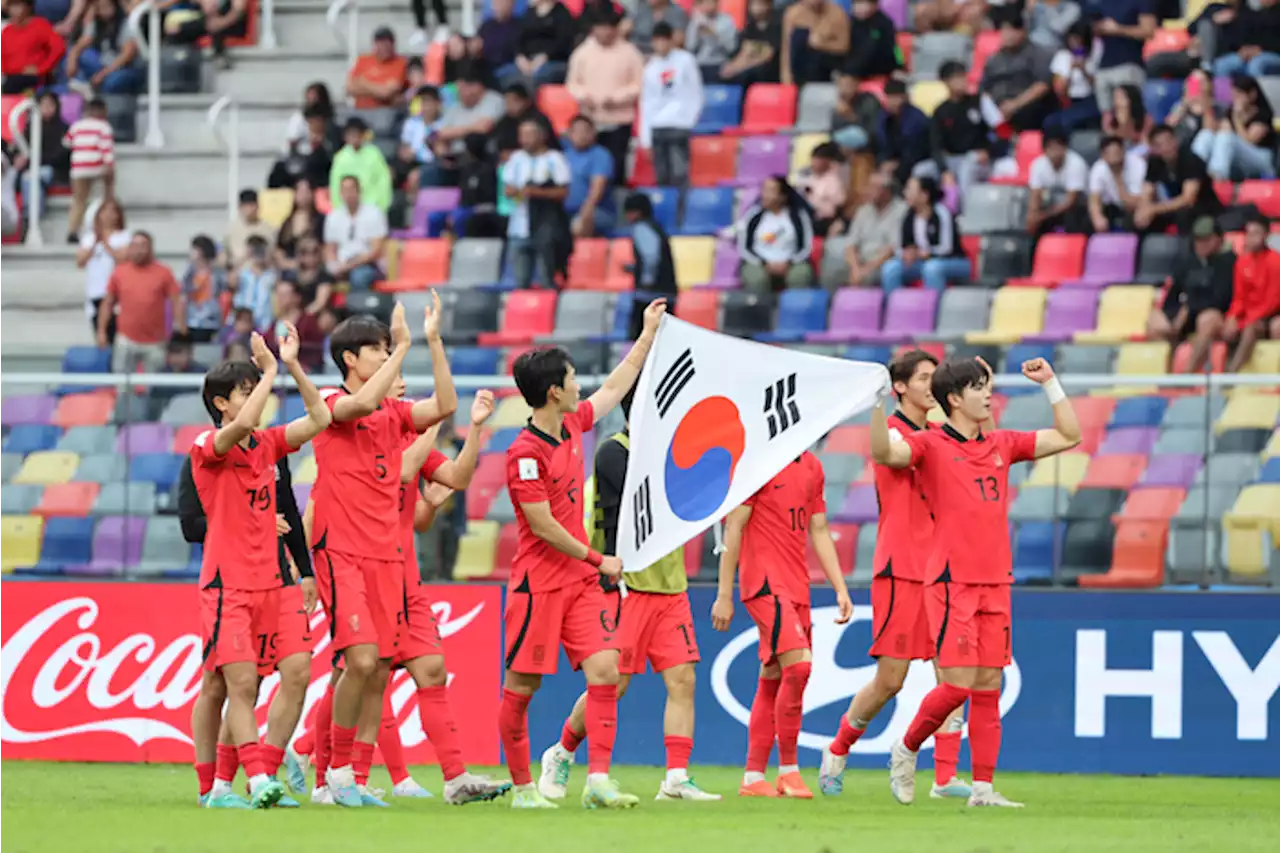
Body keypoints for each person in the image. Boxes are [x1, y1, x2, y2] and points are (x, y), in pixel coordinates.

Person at [874, 356, 1081, 808]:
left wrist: (1051, 385)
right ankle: (906, 749)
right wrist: (874, 409)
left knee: (990, 682)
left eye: (988, 386)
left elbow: (1070, 435)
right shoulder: (929, 444)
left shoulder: (1002, 443)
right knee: (957, 685)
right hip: (951, 581)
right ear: (954, 399)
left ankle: (983, 789)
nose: (989, 395)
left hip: (995, 580)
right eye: (979, 388)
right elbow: (887, 454)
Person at [498, 305, 667, 811]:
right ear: (554, 390)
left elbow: (615, 387)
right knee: (521, 689)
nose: (580, 386)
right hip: (538, 586)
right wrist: (600, 559)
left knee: (606, 673)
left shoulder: (572, 426)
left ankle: (597, 780)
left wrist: (647, 334)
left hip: (577, 584)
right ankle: (524, 788)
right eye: (572, 379)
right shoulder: (523, 453)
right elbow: (543, 526)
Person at [540, 382, 721, 803]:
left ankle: (676, 778)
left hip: (669, 583)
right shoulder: (614, 453)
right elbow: (648, 507)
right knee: (614, 685)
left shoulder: (675, 453)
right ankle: (562, 752)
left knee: (683, 679)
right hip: (623, 585)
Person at [309, 301, 457, 808]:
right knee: (362, 659)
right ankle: (334, 772)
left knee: (372, 669)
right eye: (377, 349)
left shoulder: (394, 414)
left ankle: (339, 773)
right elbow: (358, 405)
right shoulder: (329, 402)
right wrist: (407, 348)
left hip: (383, 555)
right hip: (340, 552)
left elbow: (443, 406)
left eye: (387, 347)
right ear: (351, 359)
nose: (386, 355)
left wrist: (433, 341)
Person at [818, 350, 972, 801]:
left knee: (953, 677)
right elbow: (888, 454)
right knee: (891, 680)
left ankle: (944, 778)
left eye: (934, 377)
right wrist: (876, 403)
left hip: (943, 570)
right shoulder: (892, 432)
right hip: (901, 568)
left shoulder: (943, 434)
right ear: (899, 386)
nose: (931, 384)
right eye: (924, 378)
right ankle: (837, 750)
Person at [189, 330, 331, 808]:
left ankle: (251, 777)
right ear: (221, 403)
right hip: (228, 584)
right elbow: (240, 425)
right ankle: (245, 781)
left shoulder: (267, 446)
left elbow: (320, 418)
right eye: (245, 392)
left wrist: (290, 365)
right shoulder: (208, 445)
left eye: (255, 390)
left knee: (295, 671)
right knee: (239, 684)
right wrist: (268, 370)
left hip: (274, 583)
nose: (255, 401)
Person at [388, 392, 513, 804]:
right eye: (397, 381)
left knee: (431, 670)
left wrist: (474, 427)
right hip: (368, 576)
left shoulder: (412, 443)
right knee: (360, 676)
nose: (404, 389)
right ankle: (316, 763)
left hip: (406, 579)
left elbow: (449, 487)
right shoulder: (361, 435)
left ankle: (455, 777)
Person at [711, 452, 854, 799]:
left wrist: (840, 587)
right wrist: (723, 594)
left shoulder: (812, 466)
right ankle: (789, 771)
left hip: (796, 585)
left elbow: (818, 528)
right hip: (763, 583)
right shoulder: (758, 462)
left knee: (773, 674)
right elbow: (734, 526)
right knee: (800, 667)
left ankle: (753, 776)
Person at [566, 13, 645, 186]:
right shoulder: (582, 53)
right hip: (590, 120)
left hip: (619, 119)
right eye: (600, 28)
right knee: (589, 167)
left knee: (616, 167)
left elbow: (639, 84)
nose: (605, 32)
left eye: (609, 27)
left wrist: (616, 99)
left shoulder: (630, 53)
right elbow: (572, 83)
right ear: (593, 29)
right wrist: (584, 96)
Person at [97, 231, 186, 372]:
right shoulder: (120, 272)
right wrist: (101, 331)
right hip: (126, 339)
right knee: (122, 386)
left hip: (155, 341)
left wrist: (181, 330)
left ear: (150, 248)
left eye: (142, 246)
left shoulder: (164, 272)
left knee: (154, 387)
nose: (138, 250)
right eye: (134, 245)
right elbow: (108, 303)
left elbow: (176, 301)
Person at [504, 118, 573, 289]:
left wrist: (536, 192)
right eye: (522, 135)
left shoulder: (554, 159)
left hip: (545, 225)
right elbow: (507, 189)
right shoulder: (516, 158)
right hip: (519, 225)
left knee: (546, 279)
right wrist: (519, 192)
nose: (524, 139)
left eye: (529, 134)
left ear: (542, 136)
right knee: (520, 281)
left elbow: (562, 192)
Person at [641, 22, 704, 189]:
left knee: (679, 175)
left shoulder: (686, 60)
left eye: (664, 40)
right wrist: (645, 138)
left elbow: (696, 92)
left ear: (671, 40)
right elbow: (646, 103)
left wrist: (690, 119)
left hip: (679, 125)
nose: (660, 44)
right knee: (662, 177)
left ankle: (681, 213)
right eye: (657, 40)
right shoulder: (650, 68)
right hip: (657, 126)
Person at [881, 176, 968, 293]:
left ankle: (933, 308)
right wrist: (905, 254)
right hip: (921, 262)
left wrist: (922, 254)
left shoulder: (942, 214)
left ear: (924, 195)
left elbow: (946, 248)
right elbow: (902, 246)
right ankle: (895, 307)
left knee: (932, 268)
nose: (905, 193)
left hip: (952, 260)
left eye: (910, 190)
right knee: (890, 268)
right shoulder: (908, 216)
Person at [1135, 124, 1223, 234]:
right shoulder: (1154, 162)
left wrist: (1153, 209)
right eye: (1160, 145)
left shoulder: (1191, 160)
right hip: (1173, 205)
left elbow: (1188, 199)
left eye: (1169, 141)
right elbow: (1147, 190)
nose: (1167, 147)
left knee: (1184, 214)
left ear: (1176, 140)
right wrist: (1144, 209)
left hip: (1203, 207)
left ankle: (1186, 249)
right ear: (1154, 149)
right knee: (1137, 218)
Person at [980, 9, 1056, 134]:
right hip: (997, 109)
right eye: (1004, 30)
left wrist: (1014, 105)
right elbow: (985, 88)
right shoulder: (995, 58)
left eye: (1012, 30)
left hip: (1025, 106)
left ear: (1022, 31)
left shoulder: (1036, 53)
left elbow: (1042, 85)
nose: (1007, 35)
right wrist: (995, 109)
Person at [926, 61, 992, 203]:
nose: (963, 81)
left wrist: (989, 150)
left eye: (964, 76)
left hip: (978, 159)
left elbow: (1000, 131)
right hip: (953, 159)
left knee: (966, 168)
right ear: (945, 82)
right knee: (921, 170)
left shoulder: (979, 101)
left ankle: (965, 216)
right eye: (957, 78)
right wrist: (944, 171)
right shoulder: (940, 111)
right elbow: (936, 146)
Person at [737, 175, 816, 293]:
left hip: (792, 262)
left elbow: (806, 247)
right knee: (756, 279)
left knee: (800, 276)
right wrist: (764, 263)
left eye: (771, 191)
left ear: (782, 196)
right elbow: (744, 248)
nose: (765, 195)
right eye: (764, 190)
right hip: (758, 262)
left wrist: (789, 262)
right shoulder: (753, 216)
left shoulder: (798, 216)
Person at [1191, 74, 1276, 181]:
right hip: (1235, 159)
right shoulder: (1230, 111)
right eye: (1234, 95)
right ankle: (1193, 172)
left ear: (1252, 94)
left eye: (1239, 95)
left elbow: (1249, 141)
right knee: (1206, 135)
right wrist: (1207, 105)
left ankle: (1217, 175)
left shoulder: (1263, 114)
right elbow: (1214, 131)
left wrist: (1237, 120)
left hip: (1261, 157)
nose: (1236, 99)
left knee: (1227, 138)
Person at [1224, 215, 1280, 373]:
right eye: (1248, 234)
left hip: (1269, 316)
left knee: (1252, 328)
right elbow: (1239, 297)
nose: (1251, 238)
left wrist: (1250, 319)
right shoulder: (1242, 262)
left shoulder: (1276, 261)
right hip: (1249, 315)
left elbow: (1273, 300)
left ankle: (1232, 372)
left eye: (1256, 233)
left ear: (1266, 235)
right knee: (1225, 327)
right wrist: (1232, 317)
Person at [324, 175, 388, 291]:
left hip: (368, 265)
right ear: (340, 193)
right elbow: (330, 249)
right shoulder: (333, 216)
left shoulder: (374, 213)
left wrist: (350, 265)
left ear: (359, 191)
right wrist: (333, 266)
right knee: (317, 277)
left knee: (359, 277)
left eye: (351, 189)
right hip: (342, 264)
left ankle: (358, 308)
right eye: (345, 190)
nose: (348, 194)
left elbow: (375, 251)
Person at [842, 172, 907, 287]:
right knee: (835, 268)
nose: (868, 191)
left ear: (886, 191)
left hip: (883, 263)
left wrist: (867, 269)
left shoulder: (902, 211)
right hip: (861, 262)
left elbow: (892, 249)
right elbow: (850, 244)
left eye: (873, 188)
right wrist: (855, 268)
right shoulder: (863, 211)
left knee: (873, 275)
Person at [1091, 0, 1155, 117]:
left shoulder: (1141, 2)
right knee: (1107, 116)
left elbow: (1148, 31)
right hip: (1103, 67)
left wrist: (1118, 29)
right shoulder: (1100, 4)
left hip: (1129, 64)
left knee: (1132, 113)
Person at [624, 192, 677, 335]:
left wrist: (647, 279)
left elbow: (651, 256)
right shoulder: (656, 227)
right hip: (665, 293)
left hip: (650, 295)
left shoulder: (641, 228)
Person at [77, 197, 128, 342]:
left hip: (115, 294)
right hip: (95, 292)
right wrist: (95, 242)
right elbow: (80, 261)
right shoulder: (89, 238)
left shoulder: (124, 237)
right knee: (100, 337)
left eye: (113, 211)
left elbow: (123, 259)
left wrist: (106, 243)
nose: (109, 215)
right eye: (104, 211)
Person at [64, 97, 114, 244]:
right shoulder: (104, 127)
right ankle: (102, 229)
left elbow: (67, 143)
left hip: (78, 168)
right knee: (102, 200)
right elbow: (107, 150)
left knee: (78, 201)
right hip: (97, 168)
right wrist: (109, 169)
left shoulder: (76, 126)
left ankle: (73, 230)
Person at [65, 0, 142, 95]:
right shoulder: (96, 22)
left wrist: (104, 73)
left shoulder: (125, 23)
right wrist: (73, 54)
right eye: (100, 7)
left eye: (107, 5)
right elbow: (86, 40)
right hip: (102, 64)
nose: (105, 10)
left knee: (111, 82)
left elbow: (127, 54)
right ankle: (82, 85)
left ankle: (91, 90)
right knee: (75, 54)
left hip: (121, 69)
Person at [1026, 126, 1089, 235]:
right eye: (1051, 147)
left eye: (1058, 147)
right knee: (1031, 220)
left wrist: (1044, 216)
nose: (1055, 152)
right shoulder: (1038, 164)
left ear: (1065, 148)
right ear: (1044, 150)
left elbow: (1071, 201)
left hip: (1078, 208)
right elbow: (1035, 195)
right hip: (1051, 207)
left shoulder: (1076, 163)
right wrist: (1033, 215)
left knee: (1072, 217)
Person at [1043, 21, 1101, 136]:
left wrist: (1083, 70)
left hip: (1090, 99)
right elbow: (1060, 90)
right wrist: (1070, 70)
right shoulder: (1062, 56)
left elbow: (1098, 86)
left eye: (1078, 39)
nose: (1075, 42)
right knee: (1050, 122)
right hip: (1069, 101)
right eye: (1072, 38)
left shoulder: (1095, 55)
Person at [502, 0, 575, 91]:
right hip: (527, 59)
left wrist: (544, 57)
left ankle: (528, 104)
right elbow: (518, 39)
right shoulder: (529, 12)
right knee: (504, 74)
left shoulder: (562, 13)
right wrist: (520, 57)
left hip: (553, 60)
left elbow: (563, 41)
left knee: (535, 78)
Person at [564, 115, 616, 237]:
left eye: (586, 131)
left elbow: (597, 190)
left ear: (593, 133)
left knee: (580, 224)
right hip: (565, 212)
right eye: (577, 131)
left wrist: (585, 213)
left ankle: (582, 256)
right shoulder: (564, 155)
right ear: (569, 134)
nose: (581, 135)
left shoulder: (600, 155)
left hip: (597, 211)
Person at [329, 117, 394, 214]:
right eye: (351, 134)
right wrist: (340, 210)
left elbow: (383, 181)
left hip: (373, 208)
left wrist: (380, 208)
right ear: (345, 136)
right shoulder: (340, 158)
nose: (354, 137)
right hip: (347, 210)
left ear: (363, 135)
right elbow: (335, 187)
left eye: (357, 134)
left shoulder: (374, 154)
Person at [0, 0, 66, 94]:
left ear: (28, 7)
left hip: (33, 80)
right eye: (11, 7)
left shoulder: (40, 25)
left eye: (17, 5)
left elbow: (59, 48)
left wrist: (42, 69)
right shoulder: (6, 32)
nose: (14, 10)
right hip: (10, 79)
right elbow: (2, 59)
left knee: (13, 84)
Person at [779, 0, 849, 86]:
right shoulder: (793, 13)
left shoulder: (837, 13)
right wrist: (786, 76)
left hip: (828, 63)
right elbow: (786, 48)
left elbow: (844, 46)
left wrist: (821, 44)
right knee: (799, 35)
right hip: (800, 64)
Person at [876, 79, 930, 188]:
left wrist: (896, 165)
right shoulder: (884, 118)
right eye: (889, 97)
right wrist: (884, 162)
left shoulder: (917, 119)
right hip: (893, 163)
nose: (892, 102)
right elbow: (881, 145)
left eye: (896, 97)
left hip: (916, 162)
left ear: (904, 97)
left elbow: (916, 151)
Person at [1087, 134, 1146, 232]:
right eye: (1108, 153)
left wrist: (1117, 176)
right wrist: (1097, 217)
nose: (1114, 156)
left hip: (1134, 207)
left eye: (1117, 152)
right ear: (1103, 155)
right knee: (1090, 218)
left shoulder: (1138, 164)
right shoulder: (1098, 168)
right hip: (1112, 206)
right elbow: (1094, 197)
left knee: (1134, 218)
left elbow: (1135, 203)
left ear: (1123, 151)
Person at [1211, 0, 1280, 78]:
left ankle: (1254, 90)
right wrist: (1244, 49)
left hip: (1273, 53)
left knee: (1256, 64)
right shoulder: (1250, 12)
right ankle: (1223, 91)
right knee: (1221, 64)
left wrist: (1261, 49)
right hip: (1252, 53)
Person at [720, 0, 780, 87]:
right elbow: (743, 52)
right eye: (753, 4)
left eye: (760, 4)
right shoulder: (749, 28)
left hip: (768, 69)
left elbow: (767, 54)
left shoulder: (776, 27)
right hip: (747, 66)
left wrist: (741, 67)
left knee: (747, 75)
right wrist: (732, 66)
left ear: (768, 5)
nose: (756, 8)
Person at [347, 27, 408, 110]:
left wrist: (362, 82)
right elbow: (350, 89)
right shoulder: (363, 60)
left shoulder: (400, 63)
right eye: (381, 43)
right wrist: (377, 89)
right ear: (375, 44)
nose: (385, 47)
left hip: (385, 112)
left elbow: (385, 93)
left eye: (388, 43)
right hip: (360, 111)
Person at [182, 235, 228, 343]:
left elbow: (224, 293)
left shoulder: (216, 272)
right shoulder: (189, 272)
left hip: (211, 320)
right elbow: (183, 294)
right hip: (192, 320)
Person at [795, 141, 846, 236]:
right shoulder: (807, 177)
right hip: (805, 216)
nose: (814, 163)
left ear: (828, 161)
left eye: (818, 159)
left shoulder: (834, 180)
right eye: (813, 159)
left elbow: (835, 206)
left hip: (824, 221)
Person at [275, 178, 326, 271]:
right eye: (300, 192)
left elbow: (324, 247)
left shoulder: (321, 219)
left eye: (307, 191)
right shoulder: (287, 221)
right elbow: (280, 248)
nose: (303, 196)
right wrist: (285, 263)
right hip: (290, 265)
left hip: (314, 266)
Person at [224, 189, 278, 273]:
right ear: (239, 208)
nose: (248, 209)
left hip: (263, 274)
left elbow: (273, 254)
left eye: (251, 205)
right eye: (245, 206)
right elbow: (226, 256)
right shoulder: (232, 230)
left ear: (258, 206)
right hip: (239, 274)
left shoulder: (269, 229)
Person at [845, 0, 899, 79]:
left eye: (862, 3)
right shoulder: (851, 22)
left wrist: (899, 66)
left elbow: (894, 50)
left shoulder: (884, 23)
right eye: (856, 4)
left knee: (871, 43)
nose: (859, 7)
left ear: (875, 5)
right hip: (853, 66)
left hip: (878, 67)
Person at [282, 234, 334, 316]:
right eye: (304, 253)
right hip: (295, 314)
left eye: (314, 253)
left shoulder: (324, 276)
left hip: (316, 314)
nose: (310, 257)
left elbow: (320, 303)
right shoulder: (291, 276)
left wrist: (303, 317)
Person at [685, 0, 737, 81]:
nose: (709, 6)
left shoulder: (726, 20)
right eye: (706, 2)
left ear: (717, 4)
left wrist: (713, 34)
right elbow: (690, 47)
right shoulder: (695, 21)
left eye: (712, 2)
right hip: (699, 63)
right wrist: (696, 32)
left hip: (719, 63)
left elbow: (731, 48)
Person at [234, 235, 277, 332]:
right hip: (242, 323)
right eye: (255, 250)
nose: (258, 254)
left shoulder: (272, 275)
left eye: (260, 250)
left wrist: (270, 257)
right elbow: (231, 281)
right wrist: (246, 257)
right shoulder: (242, 274)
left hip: (264, 325)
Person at [478, 0, 521, 73]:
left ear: (512, 4)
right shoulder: (486, 26)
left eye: (503, 2)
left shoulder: (519, 26)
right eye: (497, 2)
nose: (499, 5)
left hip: (509, 66)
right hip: (487, 66)